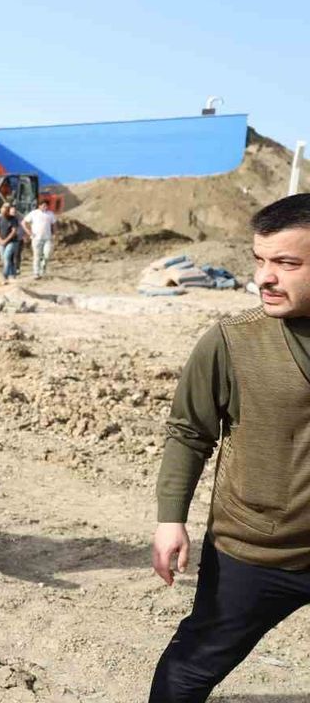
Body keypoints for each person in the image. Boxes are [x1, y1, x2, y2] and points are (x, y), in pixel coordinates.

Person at [148, 193, 310, 702]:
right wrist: (170, 519)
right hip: (257, 550)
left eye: (286, 263)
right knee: (190, 670)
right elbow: (188, 431)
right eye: (260, 260)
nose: (265, 277)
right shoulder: (231, 341)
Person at [23, 200, 56, 278]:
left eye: (46, 206)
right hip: (36, 238)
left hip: (47, 238)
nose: (45, 207)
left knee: (47, 255)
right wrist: (29, 232)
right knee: (37, 255)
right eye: (43, 205)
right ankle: (36, 272)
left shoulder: (50, 214)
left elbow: (54, 224)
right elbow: (24, 222)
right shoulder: (34, 213)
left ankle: (43, 268)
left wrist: (54, 233)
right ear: (39, 206)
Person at [0, 203, 22, 280]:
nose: (3, 213)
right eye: (2, 211)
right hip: (1, 242)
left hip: (12, 241)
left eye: (4, 211)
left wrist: (5, 240)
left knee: (6, 257)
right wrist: (0, 240)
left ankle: (5, 276)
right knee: (6, 259)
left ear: (8, 211)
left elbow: (14, 231)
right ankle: (12, 274)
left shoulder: (13, 219)